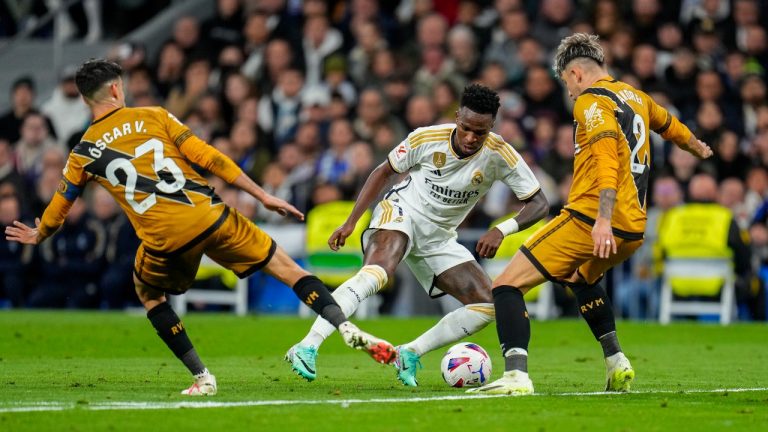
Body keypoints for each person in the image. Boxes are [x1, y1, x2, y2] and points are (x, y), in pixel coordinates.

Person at [4, 59, 393, 396]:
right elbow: (210, 157)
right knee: (289, 270)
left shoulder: (83, 151)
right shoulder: (155, 115)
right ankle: (342, 326)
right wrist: (262, 196)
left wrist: (41, 234)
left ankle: (202, 376)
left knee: (149, 294)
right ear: (117, 88)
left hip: (164, 239)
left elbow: (60, 204)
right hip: (212, 215)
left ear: (85, 98)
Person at [469, 33, 713, 396]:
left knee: (505, 285)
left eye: (567, 81)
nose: (568, 92)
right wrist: (696, 146)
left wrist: (601, 218)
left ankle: (516, 376)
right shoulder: (637, 97)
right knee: (581, 279)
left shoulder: (590, 102)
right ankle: (617, 362)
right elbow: (670, 126)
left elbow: (605, 159)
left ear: (577, 74)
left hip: (591, 219)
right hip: (633, 229)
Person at [285, 83, 549, 385]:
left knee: (487, 305)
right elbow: (383, 171)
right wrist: (350, 222)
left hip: (439, 237)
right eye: (466, 128)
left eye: (481, 132)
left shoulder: (500, 154)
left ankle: (409, 352)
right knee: (377, 274)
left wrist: (502, 230)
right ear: (457, 116)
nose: (471, 138)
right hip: (402, 212)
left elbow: (539, 202)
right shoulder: (427, 137)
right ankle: (308, 345)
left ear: (492, 127)